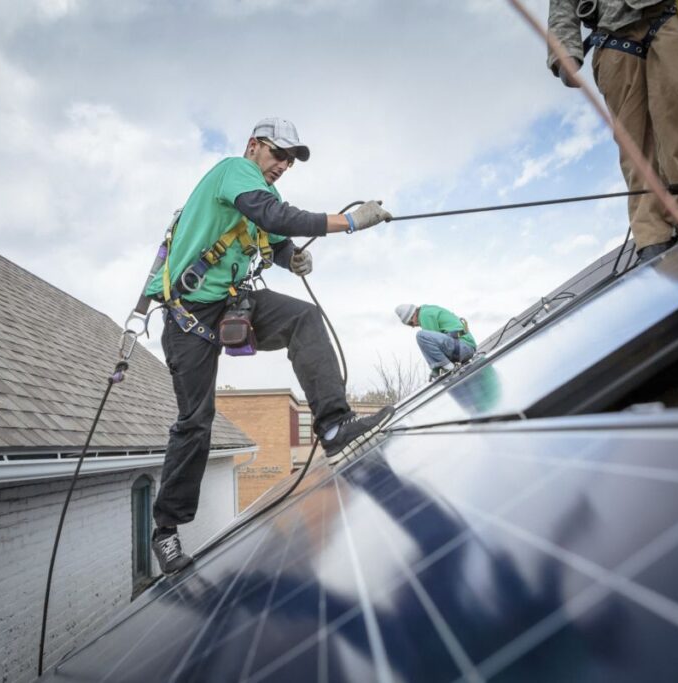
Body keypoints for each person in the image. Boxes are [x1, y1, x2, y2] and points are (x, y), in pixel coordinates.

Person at [142, 117, 395, 573]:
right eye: (278, 155)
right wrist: (351, 222)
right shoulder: (234, 171)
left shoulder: (264, 193)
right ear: (254, 146)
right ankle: (165, 531)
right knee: (196, 421)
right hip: (187, 319)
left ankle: (334, 426)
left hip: (231, 306)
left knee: (304, 318)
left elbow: (273, 235)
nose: (283, 165)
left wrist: (290, 255)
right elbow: (274, 215)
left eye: (290, 161)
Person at [547, 0, 678, 263]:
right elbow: (561, 7)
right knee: (633, 140)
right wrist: (563, 52)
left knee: (677, 102)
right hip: (611, 38)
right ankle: (651, 235)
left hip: (669, 14)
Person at [395, 303, 477, 381]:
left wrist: (436, 370)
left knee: (421, 336)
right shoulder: (428, 310)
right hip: (464, 348)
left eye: (410, 323)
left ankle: (448, 367)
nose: (413, 326)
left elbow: (433, 346)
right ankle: (446, 366)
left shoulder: (425, 315)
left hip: (463, 347)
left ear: (413, 316)